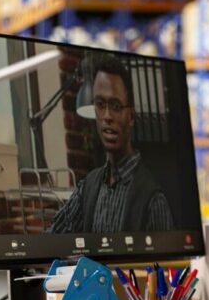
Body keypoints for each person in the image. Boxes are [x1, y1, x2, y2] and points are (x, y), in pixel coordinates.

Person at [49, 56, 174, 233]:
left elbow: (168, 260)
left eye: (115, 106)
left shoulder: (152, 199)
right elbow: (52, 237)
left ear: (131, 116)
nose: (107, 116)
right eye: (100, 104)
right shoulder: (88, 187)